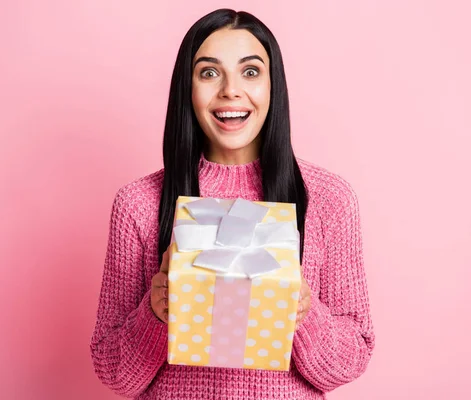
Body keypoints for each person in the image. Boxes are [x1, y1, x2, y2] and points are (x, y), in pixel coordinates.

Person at [90, 8, 374, 399]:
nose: (230, 90)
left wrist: (304, 315)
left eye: (251, 72)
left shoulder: (328, 200)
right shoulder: (139, 204)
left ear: (273, 86)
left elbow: (352, 359)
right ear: (187, 89)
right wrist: (154, 314)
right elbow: (113, 372)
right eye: (209, 72)